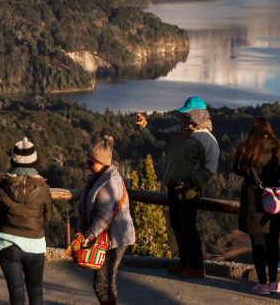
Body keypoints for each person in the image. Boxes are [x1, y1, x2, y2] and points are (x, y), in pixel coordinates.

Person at [135, 96, 219, 279]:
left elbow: (210, 168)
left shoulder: (206, 139)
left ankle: (197, 266)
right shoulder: (176, 132)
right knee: (177, 226)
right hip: (173, 187)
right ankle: (185, 262)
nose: (183, 118)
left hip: (190, 190)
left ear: (197, 115)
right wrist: (144, 125)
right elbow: (157, 138)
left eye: (187, 115)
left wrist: (192, 182)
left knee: (188, 228)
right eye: (183, 115)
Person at [0, 138, 54, 305]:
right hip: (35, 244)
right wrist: (35, 228)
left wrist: (3, 228)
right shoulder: (43, 188)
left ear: (12, 161)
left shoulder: (1, 187)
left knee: (16, 295)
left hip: (7, 244)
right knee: (36, 293)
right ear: (34, 162)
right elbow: (48, 216)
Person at [231, 117, 280, 295]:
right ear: (268, 129)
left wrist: (251, 173)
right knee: (273, 243)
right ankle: (274, 282)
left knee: (257, 244)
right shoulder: (276, 147)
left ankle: (262, 284)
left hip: (252, 198)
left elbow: (237, 169)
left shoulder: (245, 147)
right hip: (273, 199)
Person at [78, 136, 135, 305]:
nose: (88, 165)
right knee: (107, 282)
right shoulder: (104, 177)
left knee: (102, 284)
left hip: (113, 238)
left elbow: (104, 217)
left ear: (102, 163)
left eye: (91, 162)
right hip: (113, 236)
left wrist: (87, 236)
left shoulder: (107, 184)